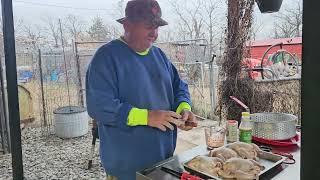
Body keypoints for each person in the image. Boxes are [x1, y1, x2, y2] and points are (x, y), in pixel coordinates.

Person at [86, 0, 197, 179]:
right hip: (125, 168)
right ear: (127, 25)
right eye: (148, 26)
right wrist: (147, 117)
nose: (154, 33)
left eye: (157, 27)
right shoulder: (106, 57)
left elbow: (179, 86)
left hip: (164, 161)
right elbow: (98, 106)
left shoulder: (159, 55)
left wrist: (183, 108)